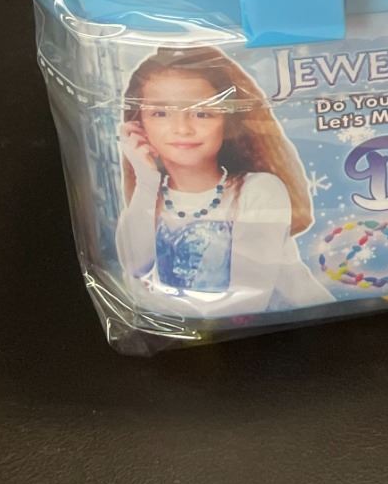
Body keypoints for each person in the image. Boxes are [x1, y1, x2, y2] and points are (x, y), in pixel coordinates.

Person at [116, 47, 332, 316]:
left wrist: (146, 302)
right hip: (206, 330)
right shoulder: (150, 196)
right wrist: (146, 182)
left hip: (297, 325)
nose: (182, 128)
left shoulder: (258, 190)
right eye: (160, 113)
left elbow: (247, 302)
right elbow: (134, 267)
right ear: (138, 125)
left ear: (229, 122)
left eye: (202, 113)